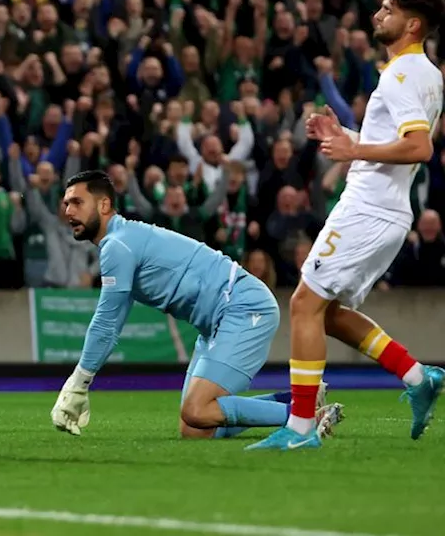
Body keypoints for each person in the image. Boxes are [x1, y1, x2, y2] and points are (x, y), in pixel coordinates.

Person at [258, 0, 445, 450]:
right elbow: (405, 141)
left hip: (369, 207)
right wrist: (348, 137)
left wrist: (353, 152)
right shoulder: (427, 75)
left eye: (389, 9)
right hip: (386, 209)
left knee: (303, 303)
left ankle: (299, 430)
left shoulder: (402, 74)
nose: (378, 14)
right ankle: (417, 375)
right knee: (328, 312)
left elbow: (419, 147)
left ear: (414, 23)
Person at [50, 170, 343, 440]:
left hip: (242, 306)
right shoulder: (121, 242)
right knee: (195, 427)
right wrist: (81, 381)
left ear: (103, 205)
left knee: (198, 409)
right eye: (66, 204)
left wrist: (78, 383)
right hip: (218, 322)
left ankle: (306, 417)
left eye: (77, 202)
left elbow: (105, 322)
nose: (69, 211)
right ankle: (298, 401)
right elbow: (111, 323)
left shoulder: (118, 245)